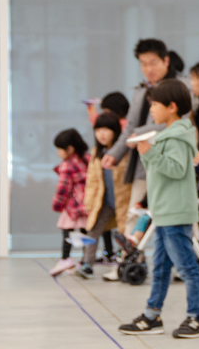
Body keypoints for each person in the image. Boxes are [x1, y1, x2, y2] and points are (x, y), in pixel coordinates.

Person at [118, 79, 199, 339]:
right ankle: (151, 315)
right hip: (165, 212)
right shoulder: (169, 133)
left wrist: (151, 153)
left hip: (176, 213)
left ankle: (195, 318)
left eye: (155, 105)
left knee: (187, 267)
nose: (152, 110)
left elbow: (177, 169)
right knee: (160, 268)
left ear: (172, 106)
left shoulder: (178, 135)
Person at [102, 39, 189, 237]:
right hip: (143, 163)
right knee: (136, 211)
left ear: (166, 61)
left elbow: (178, 122)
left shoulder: (180, 87)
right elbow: (130, 127)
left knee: (178, 219)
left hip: (172, 162)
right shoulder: (141, 90)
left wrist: (141, 133)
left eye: (153, 62)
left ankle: (194, 261)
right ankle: (130, 264)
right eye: (143, 63)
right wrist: (115, 153)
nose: (148, 68)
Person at [76, 113, 132, 280]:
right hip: (105, 201)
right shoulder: (96, 153)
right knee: (93, 230)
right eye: (98, 129)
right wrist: (89, 202)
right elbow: (92, 180)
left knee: (125, 233)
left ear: (116, 131)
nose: (102, 134)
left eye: (106, 129)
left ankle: (126, 263)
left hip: (124, 201)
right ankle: (87, 264)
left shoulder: (124, 152)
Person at [49, 129, 90, 276]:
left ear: (70, 149)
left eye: (59, 149)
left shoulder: (67, 164)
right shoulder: (88, 159)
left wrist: (57, 205)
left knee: (67, 230)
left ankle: (65, 258)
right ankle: (85, 261)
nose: (58, 153)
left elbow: (63, 188)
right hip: (88, 204)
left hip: (73, 205)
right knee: (86, 233)